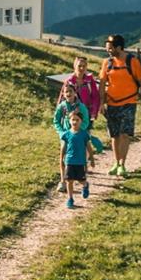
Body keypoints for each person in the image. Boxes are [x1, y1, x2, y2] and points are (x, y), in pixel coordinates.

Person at [99, 33, 141, 177]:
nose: (108, 50)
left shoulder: (132, 62)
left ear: (119, 47)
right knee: (114, 135)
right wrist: (101, 103)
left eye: (110, 48)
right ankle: (116, 162)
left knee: (125, 134)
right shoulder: (106, 63)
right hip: (112, 103)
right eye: (107, 48)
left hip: (129, 102)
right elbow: (102, 84)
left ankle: (122, 164)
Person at [53, 80, 92, 208]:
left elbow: (86, 121)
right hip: (65, 136)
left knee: (78, 158)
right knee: (63, 158)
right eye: (66, 92)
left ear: (75, 92)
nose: (68, 93)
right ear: (63, 94)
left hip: (78, 137)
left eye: (70, 91)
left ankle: (83, 181)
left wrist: (79, 130)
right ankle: (63, 181)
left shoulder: (81, 107)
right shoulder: (62, 106)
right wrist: (61, 132)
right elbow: (56, 121)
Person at [65, 55, 108, 167]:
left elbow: (95, 96)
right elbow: (63, 97)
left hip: (87, 115)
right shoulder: (69, 81)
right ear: (74, 66)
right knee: (72, 139)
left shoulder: (89, 80)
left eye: (84, 66)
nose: (82, 68)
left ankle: (83, 164)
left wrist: (94, 112)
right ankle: (72, 162)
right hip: (72, 115)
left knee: (84, 139)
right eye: (79, 66)